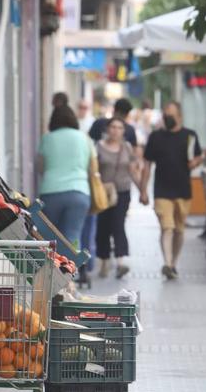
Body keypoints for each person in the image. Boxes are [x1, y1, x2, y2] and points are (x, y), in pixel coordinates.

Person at [140, 101, 203, 280]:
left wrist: (196, 162)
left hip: (183, 190)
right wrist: (143, 190)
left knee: (179, 230)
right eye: (165, 115)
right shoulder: (155, 137)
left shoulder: (190, 136)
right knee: (167, 228)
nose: (167, 118)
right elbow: (147, 164)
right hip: (162, 190)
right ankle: (167, 263)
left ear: (180, 116)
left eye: (171, 115)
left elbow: (198, 157)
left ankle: (174, 262)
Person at [36, 104, 93, 247]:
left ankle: (51, 268)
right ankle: (72, 268)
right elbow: (91, 167)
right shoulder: (84, 138)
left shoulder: (47, 138)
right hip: (79, 193)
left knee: (48, 238)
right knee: (72, 237)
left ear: (53, 120)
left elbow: (40, 167)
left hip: (51, 192)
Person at [96, 117, 141, 279]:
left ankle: (120, 262)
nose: (116, 130)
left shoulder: (127, 148)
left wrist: (142, 190)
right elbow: (94, 171)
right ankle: (104, 261)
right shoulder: (99, 147)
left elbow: (133, 170)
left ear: (124, 131)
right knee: (103, 227)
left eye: (119, 128)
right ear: (107, 129)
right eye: (113, 127)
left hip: (122, 192)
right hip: (103, 193)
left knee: (118, 224)